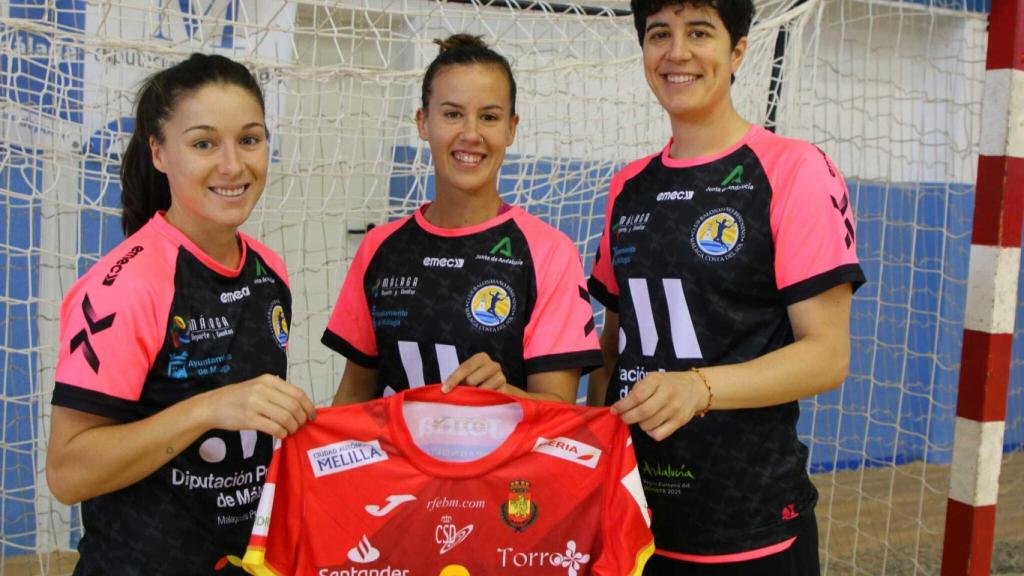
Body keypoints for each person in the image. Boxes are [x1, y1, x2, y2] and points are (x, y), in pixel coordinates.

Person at [586, 1, 866, 574]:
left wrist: (700, 388)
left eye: (699, 33)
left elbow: (827, 356)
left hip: (751, 530)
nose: (677, 52)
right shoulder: (628, 187)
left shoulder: (795, 170)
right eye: (659, 34)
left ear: (738, 50)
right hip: (636, 525)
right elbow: (613, 350)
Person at [45, 53, 316, 575]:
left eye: (250, 139)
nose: (233, 165)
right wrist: (206, 409)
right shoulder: (124, 286)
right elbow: (67, 472)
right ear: (159, 152)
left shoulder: (270, 271)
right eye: (203, 143)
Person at [323, 34, 601, 405]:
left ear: (511, 129)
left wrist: (506, 395)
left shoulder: (549, 252)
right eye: (452, 114)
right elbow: (355, 393)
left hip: (504, 464)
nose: (470, 134)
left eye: (488, 117)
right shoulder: (380, 247)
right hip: (392, 464)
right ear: (423, 123)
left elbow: (559, 410)